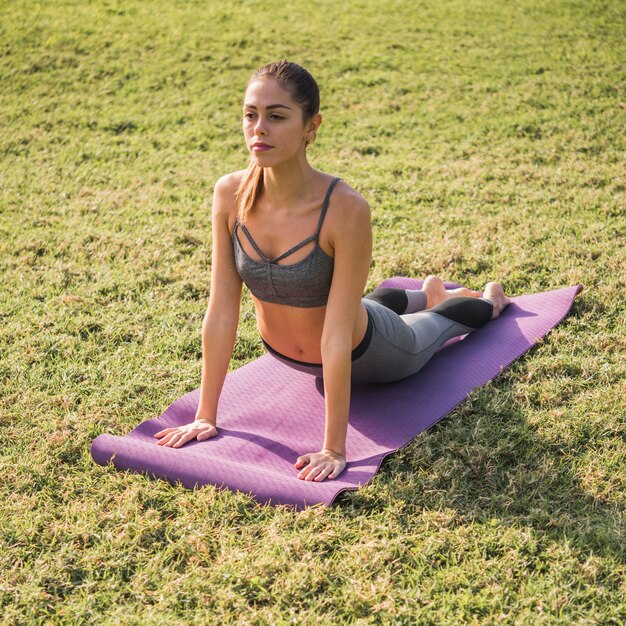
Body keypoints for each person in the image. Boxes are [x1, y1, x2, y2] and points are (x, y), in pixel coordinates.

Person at [154, 61, 511, 482]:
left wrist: (333, 447)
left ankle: (485, 301)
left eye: (277, 116)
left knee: (435, 326)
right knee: (360, 303)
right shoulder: (230, 193)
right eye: (250, 114)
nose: (259, 129)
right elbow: (221, 310)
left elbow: (338, 335)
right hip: (293, 354)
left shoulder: (345, 207)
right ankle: (424, 293)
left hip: (373, 354)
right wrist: (205, 415)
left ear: (311, 126)